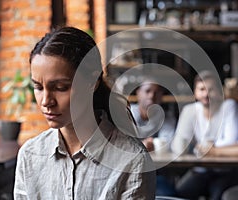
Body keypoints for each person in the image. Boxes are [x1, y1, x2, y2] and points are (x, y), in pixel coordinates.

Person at [14, 27, 156, 199]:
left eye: (60, 88)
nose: (46, 101)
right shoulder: (30, 155)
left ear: (92, 82)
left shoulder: (132, 160)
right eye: (38, 87)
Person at [171, 70, 238, 200]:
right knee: (179, 194)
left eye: (211, 89)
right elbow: (178, 146)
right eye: (202, 89)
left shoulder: (229, 106)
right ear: (195, 92)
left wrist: (205, 147)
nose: (206, 94)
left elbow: (234, 141)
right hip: (200, 170)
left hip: (225, 170)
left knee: (218, 196)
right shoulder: (190, 110)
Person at [130, 79, 177, 196]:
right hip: (129, 172)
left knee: (168, 194)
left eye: (156, 92)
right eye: (147, 91)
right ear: (138, 93)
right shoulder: (127, 113)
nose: (151, 96)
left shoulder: (167, 118)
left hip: (157, 173)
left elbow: (168, 144)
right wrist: (143, 145)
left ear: (161, 96)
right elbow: (122, 140)